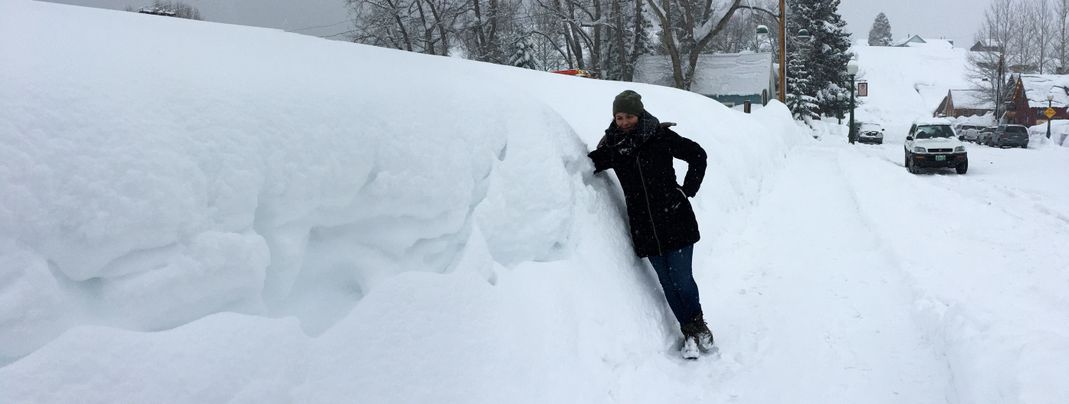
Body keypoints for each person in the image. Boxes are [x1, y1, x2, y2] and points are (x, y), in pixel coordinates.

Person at [587, 90, 714, 359]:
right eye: (619, 117)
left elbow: (697, 155)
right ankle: (688, 332)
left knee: (681, 279)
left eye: (629, 116)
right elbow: (590, 163)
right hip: (645, 228)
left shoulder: (659, 136)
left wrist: (686, 190)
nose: (624, 122)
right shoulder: (614, 147)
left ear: (639, 114)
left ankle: (699, 324)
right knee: (667, 283)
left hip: (675, 218)